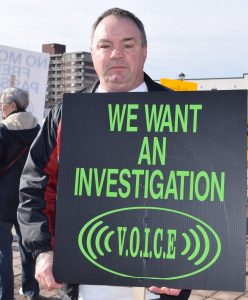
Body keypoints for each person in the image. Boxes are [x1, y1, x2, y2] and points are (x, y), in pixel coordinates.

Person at [18, 7, 191, 300]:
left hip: (157, 287)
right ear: (92, 53)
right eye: (105, 45)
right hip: (82, 284)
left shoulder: (183, 115)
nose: (116, 54)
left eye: (128, 44)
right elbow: (35, 188)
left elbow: (205, 196)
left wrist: (189, 266)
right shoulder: (67, 115)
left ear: (144, 51)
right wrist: (43, 250)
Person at [0, 87, 40, 300]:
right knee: (28, 247)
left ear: (13, 105)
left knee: (3, 250)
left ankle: (4, 295)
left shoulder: (2, 130)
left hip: (3, 198)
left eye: (2, 104)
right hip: (29, 197)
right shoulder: (38, 129)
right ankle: (31, 290)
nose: (0, 108)